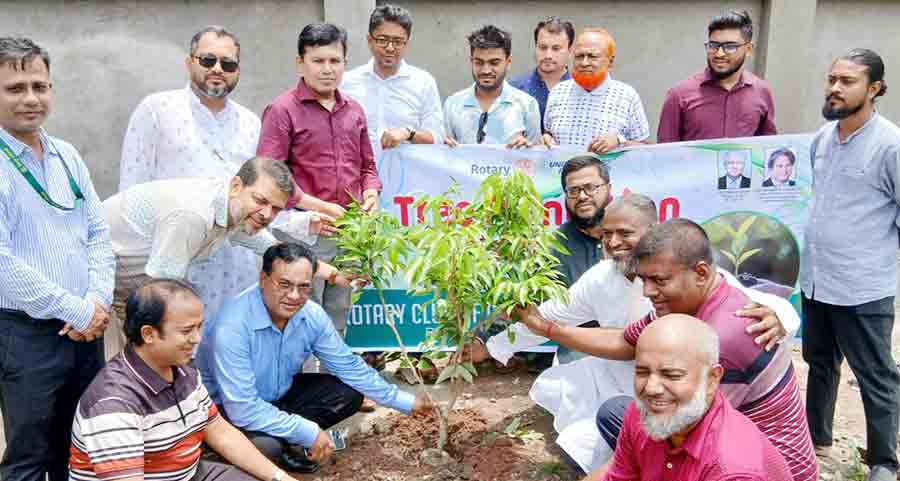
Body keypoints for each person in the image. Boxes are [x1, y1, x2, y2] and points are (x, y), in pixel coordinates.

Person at [472, 196, 800, 473]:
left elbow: (689, 427)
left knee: (639, 426)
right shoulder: (675, 301)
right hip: (710, 427)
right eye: (607, 234)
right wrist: (542, 329)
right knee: (622, 415)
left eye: (658, 281)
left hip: (757, 467)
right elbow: (623, 341)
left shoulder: (724, 330)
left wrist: (617, 468)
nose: (649, 291)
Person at [196, 243, 433, 474]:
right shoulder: (232, 326)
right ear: (263, 279)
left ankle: (290, 441)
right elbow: (242, 409)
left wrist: (404, 401)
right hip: (228, 410)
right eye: (284, 285)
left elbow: (347, 366)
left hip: (278, 395)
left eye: (304, 287)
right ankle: (232, 454)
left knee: (347, 394)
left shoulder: (310, 314)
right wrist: (308, 431)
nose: (294, 296)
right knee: (266, 447)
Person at [0, 36, 115, 481]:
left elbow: (98, 233)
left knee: (82, 449)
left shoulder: (67, 154)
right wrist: (79, 309)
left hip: (86, 332)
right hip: (25, 334)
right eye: (15, 88)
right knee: (29, 456)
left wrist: (98, 302)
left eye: (40, 86)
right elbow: (2, 264)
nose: (31, 98)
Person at [102, 157, 343, 358]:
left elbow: (271, 249)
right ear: (236, 186)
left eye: (276, 208)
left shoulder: (235, 208)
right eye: (260, 201)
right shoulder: (193, 216)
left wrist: (335, 274)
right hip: (97, 280)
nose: (267, 214)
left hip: (128, 285)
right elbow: (163, 293)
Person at [69, 279, 307, 481]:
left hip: (187, 472)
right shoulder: (114, 404)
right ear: (149, 334)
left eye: (199, 327)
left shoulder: (183, 370)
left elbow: (220, 432)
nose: (197, 339)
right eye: (187, 331)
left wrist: (280, 477)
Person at [119, 26, 270, 323]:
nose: (217, 69)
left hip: (236, 266)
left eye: (228, 64)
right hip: (175, 264)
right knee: (177, 355)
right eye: (207, 60)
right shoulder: (157, 110)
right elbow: (131, 191)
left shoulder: (251, 123)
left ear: (237, 70)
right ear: (189, 62)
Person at [802, 48, 900, 481]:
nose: (835, 88)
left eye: (848, 82)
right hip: (818, 279)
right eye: (832, 79)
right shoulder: (822, 140)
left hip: (863, 285)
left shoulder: (891, 146)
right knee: (819, 362)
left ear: (875, 89)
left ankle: (883, 461)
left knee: (876, 374)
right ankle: (814, 438)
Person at [257, 22, 378, 341]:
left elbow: (369, 167)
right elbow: (270, 176)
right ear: (301, 62)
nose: (328, 69)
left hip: (349, 233)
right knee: (300, 313)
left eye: (335, 61)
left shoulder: (354, 111)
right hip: (304, 232)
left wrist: (370, 192)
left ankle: (331, 385)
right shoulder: (282, 110)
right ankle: (300, 385)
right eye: (318, 61)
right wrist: (315, 207)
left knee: (339, 313)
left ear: (344, 63)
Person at [600, 314, 793, 480]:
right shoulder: (642, 413)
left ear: (712, 379)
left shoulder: (733, 470)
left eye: (671, 375)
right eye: (642, 372)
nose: (651, 388)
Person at [657, 10, 776, 143]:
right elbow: (664, 154)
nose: (719, 54)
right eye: (713, 46)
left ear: (748, 49)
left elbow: (767, 149)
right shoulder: (679, 95)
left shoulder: (762, 92)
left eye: (730, 47)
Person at [342, 4, 444, 157]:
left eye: (397, 41)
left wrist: (408, 133)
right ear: (370, 40)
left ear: (406, 43)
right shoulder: (347, 83)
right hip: (359, 177)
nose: (390, 48)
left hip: (407, 177)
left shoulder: (423, 82)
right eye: (382, 40)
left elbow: (437, 137)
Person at [543, 28, 649, 154]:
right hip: (562, 173)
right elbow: (548, 134)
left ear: (610, 61)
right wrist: (546, 139)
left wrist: (620, 141)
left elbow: (645, 150)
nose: (584, 63)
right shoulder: (558, 92)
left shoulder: (627, 96)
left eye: (592, 56)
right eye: (579, 56)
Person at [443, 25, 542, 148]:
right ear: (471, 61)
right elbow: (444, 159)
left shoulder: (527, 105)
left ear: (508, 62)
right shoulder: (453, 105)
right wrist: (446, 149)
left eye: (494, 63)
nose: (486, 70)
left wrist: (527, 149)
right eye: (479, 62)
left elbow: (536, 161)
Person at [509, 17, 574, 128]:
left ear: (570, 51)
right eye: (543, 48)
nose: (548, 55)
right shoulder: (514, 89)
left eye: (556, 48)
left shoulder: (580, 91)